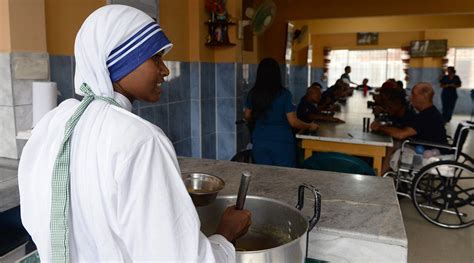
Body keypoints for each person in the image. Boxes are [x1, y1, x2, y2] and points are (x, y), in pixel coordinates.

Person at [18, 5, 251, 262]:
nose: (165, 70)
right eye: (155, 58)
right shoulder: (142, 140)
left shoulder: (56, 122)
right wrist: (224, 236)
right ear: (121, 59)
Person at [244, 58, 318, 167]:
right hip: (281, 143)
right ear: (277, 74)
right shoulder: (284, 94)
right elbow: (293, 122)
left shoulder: (253, 93)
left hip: (259, 141)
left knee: (264, 177)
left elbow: (247, 116)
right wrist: (309, 126)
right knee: (285, 178)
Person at [371, 82, 447, 173]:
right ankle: (382, 174)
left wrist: (380, 127)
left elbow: (401, 134)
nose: (411, 98)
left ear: (423, 96)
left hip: (430, 153)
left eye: (414, 95)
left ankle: (381, 176)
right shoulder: (428, 112)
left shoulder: (428, 115)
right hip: (425, 146)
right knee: (393, 144)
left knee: (393, 145)